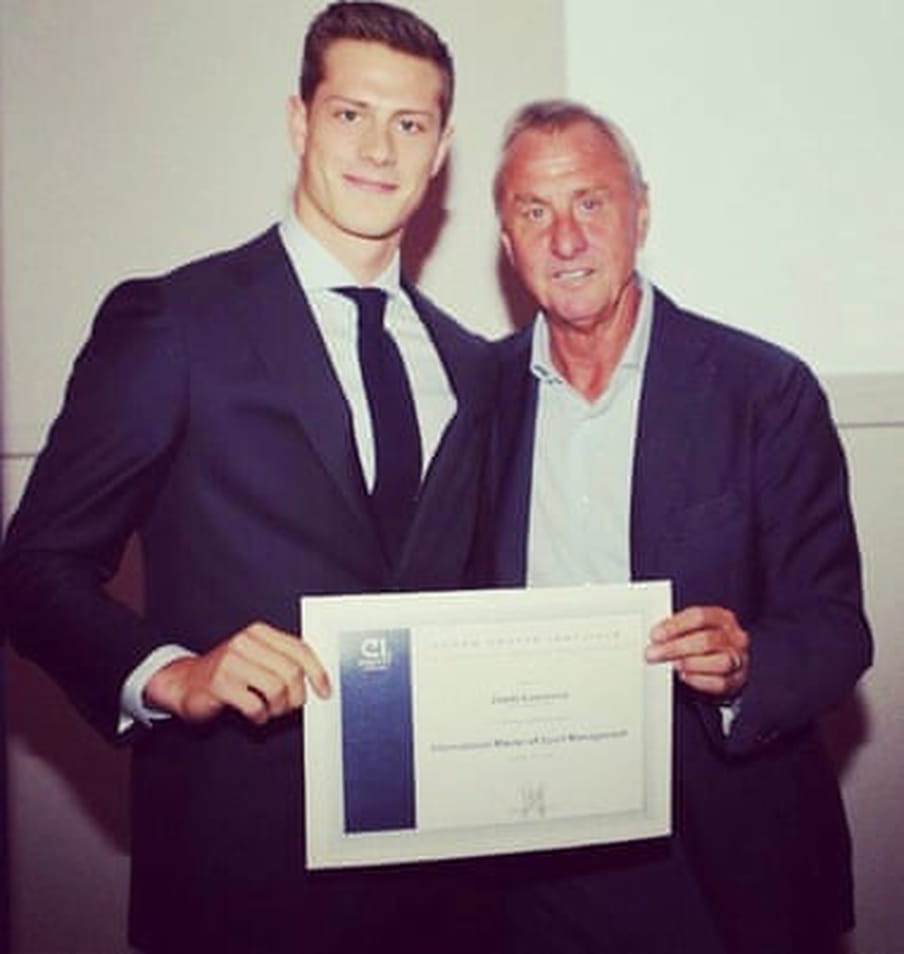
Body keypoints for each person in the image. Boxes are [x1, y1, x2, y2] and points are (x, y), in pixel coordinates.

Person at [0, 4, 498, 952]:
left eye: (411, 125)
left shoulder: (475, 367)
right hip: (241, 881)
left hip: (448, 894)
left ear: (440, 154)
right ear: (299, 122)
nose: (381, 150)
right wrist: (173, 673)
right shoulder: (175, 325)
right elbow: (33, 569)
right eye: (352, 114)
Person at [491, 99, 872, 954]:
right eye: (534, 211)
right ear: (507, 241)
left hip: (726, 863)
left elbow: (835, 628)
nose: (566, 239)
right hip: (527, 860)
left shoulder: (765, 392)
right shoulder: (476, 401)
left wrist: (744, 665)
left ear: (642, 210)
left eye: (590, 202)